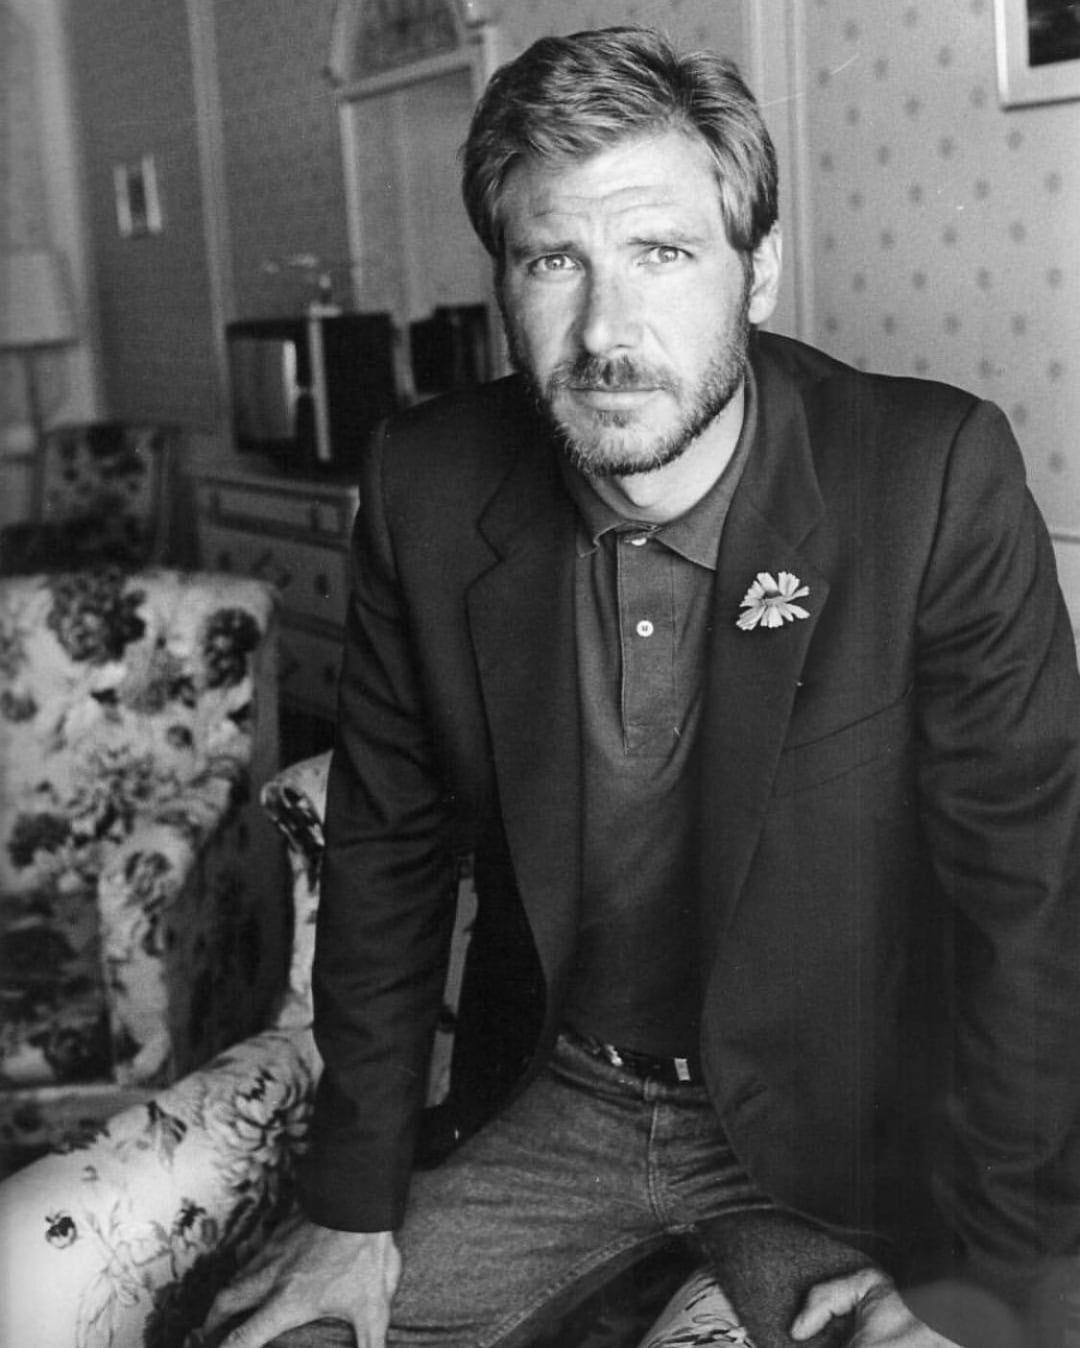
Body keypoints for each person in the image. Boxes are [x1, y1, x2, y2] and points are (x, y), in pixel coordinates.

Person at [202, 26, 1080, 1348]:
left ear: (758, 270)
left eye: (662, 254)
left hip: (842, 1140)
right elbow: (385, 855)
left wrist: (992, 1277)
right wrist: (350, 1205)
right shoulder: (425, 484)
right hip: (558, 1096)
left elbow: (1032, 902)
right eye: (557, 259)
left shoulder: (929, 475)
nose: (607, 331)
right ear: (504, 278)